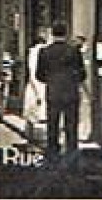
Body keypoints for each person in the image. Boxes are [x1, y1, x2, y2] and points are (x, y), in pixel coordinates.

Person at [36, 21, 86, 160]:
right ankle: (71, 150)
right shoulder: (74, 50)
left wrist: (51, 80)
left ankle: (52, 150)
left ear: (52, 33)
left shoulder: (44, 51)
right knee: (71, 123)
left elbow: (39, 75)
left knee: (52, 123)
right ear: (66, 33)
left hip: (53, 92)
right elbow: (82, 74)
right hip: (71, 92)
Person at [22, 29, 50, 142]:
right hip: (38, 85)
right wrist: (38, 91)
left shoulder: (36, 51)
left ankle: (30, 137)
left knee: (33, 114)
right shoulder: (36, 52)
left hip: (38, 84)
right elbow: (33, 71)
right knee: (36, 112)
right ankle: (33, 138)